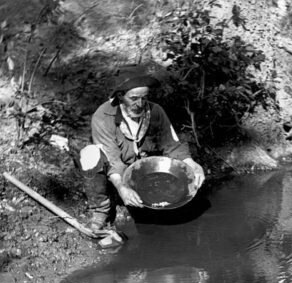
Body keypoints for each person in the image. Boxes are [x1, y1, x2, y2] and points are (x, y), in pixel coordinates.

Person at [79, 64, 205, 232]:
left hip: (144, 169)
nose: (140, 103)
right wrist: (122, 187)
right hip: (117, 168)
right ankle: (101, 209)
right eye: (134, 98)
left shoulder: (155, 111)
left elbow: (173, 145)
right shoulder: (103, 117)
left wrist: (192, 164)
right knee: (89, 155)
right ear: (120, 96)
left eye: (144, 98)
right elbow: (112, 160)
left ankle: (147, 198)